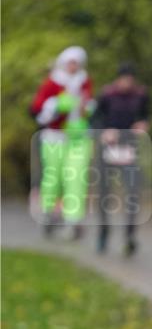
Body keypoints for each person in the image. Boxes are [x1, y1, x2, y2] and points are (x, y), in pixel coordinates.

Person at [30, 46, 95, 239]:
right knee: (53, 177)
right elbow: (37, 110)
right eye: (70, 62)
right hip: (55, 138)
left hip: (77, 138)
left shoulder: (84, 81)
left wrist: (87, 109)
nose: (73, 66)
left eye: (76, 63)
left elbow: (88, 105)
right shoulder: (52, 82)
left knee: (75, 177)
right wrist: (56, 105)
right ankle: (49, 213)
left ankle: (73, 220)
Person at [93, 62, 150, 256]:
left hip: (129, 149)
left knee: (133, 193)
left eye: (130, 80)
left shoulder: (141, 95)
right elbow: (95, 119)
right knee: (105, 194)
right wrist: (104, 131)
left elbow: (145, 116)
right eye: (124, 79)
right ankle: (103, 233)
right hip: (108, 150)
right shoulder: (106, 95)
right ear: (118, 79)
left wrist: (142, 125)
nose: (127, 83)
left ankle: (130, 236)